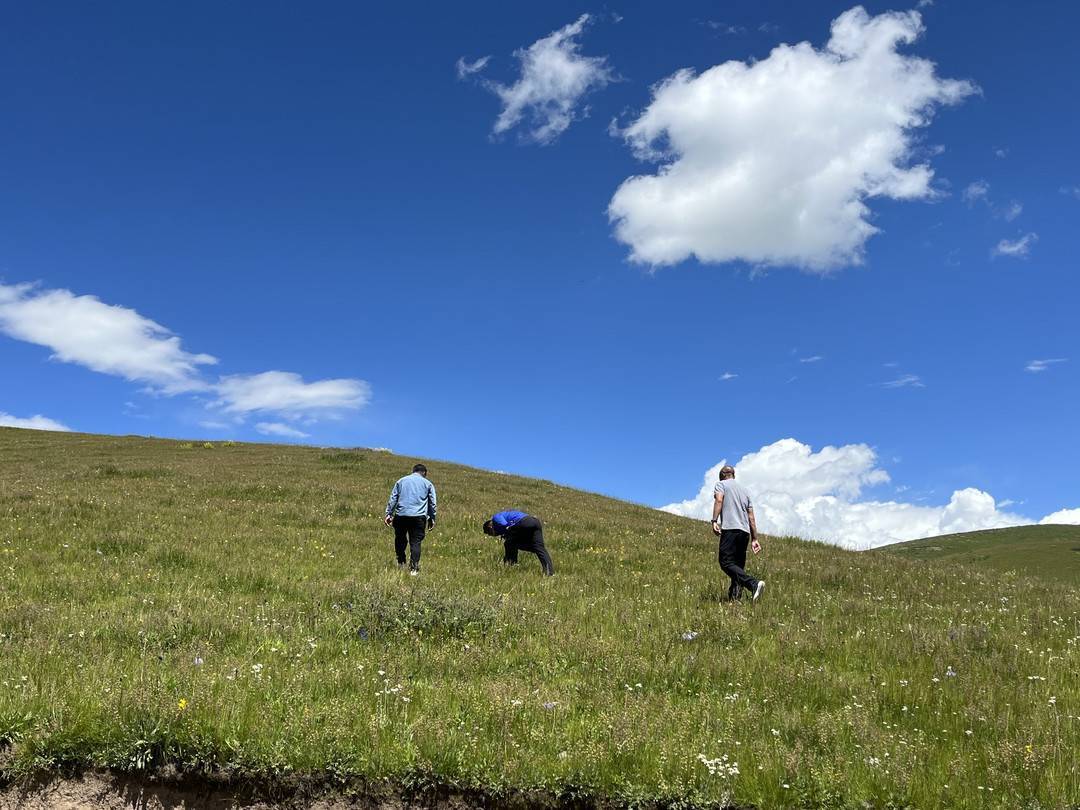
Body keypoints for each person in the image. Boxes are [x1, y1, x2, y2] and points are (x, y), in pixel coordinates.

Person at [711, 465, 765, 601]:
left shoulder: (721, 485)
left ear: (722, 475)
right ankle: (734, 600)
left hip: (730, 528)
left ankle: (753, 584)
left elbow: (719, 499)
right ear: (733, 474)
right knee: (738, 567)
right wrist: (754, 539)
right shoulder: (745, 491)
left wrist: (714, 520)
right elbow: (751, 516)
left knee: (725, 562)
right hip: (745, 532)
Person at [384, 463, 437, 575]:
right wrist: (432, 518)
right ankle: (414, 569)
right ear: (424, 473)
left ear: (413, 471)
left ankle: (401, 563)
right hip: (418, 517)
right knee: (415, 542)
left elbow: (393, 498)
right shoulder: (428, 484)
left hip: (401, 515)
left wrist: (389, 514)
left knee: (400, 539)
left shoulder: (401, 481)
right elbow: (432, 503)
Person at [482, 510, 555, 576]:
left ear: (490, 526)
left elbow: (507, 527)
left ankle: (510, 565)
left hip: (523, 523)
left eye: (490, 533)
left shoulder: (495, 518)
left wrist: (507, 536)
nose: (493, 535)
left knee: (509, 543)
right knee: (539, 548)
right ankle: (549, 572)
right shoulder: (502, 519)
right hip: (535, 522)